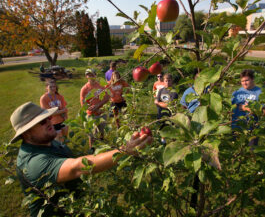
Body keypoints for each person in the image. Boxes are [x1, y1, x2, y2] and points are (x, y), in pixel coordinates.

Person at [10, 102, 152, 217]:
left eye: (47, 117)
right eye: (41, 122)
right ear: (27, 134)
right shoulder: (33, 163)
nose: (49, 121)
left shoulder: (46, 141)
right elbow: (76, 167)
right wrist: (124, 151)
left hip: (75, 207)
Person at [80, 68, 110, 148]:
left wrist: (98, 105)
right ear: (86, 77)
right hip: (91, 115)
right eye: (88, 75)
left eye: (92, 75)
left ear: (95, 75)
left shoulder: (101, 86)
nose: (90, 77)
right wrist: (91, 108)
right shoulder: (84, 89)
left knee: (102, 130)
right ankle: (92, 149)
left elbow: (107, 97)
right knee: (92, 134)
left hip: (101, 112)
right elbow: (83, 104)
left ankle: (102, 144)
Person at [231, 69, 262, 145]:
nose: (244, 83)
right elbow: (232, 107)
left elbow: (262, 110)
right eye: (242, 81)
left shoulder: (259, 92)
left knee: (251, 150)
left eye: (246, 80)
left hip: (252, 128)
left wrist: (244, 107)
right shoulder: (237, 92)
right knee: (236, 149)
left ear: (252, 79)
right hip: (237, 126)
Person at [154, 74, 178, 144]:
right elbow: (156, 101)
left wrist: (159, 103)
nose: (167, 83)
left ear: (172, 81)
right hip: (161, 113)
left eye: (169, 81)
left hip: (171, 114)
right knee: (162, 128)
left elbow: (170, 105)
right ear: (163, 81)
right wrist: (160, 103)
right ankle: (163, 141)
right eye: (166, 81)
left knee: (172, 128)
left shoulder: (174, 92)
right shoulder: (161, 90)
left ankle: (174, 142)